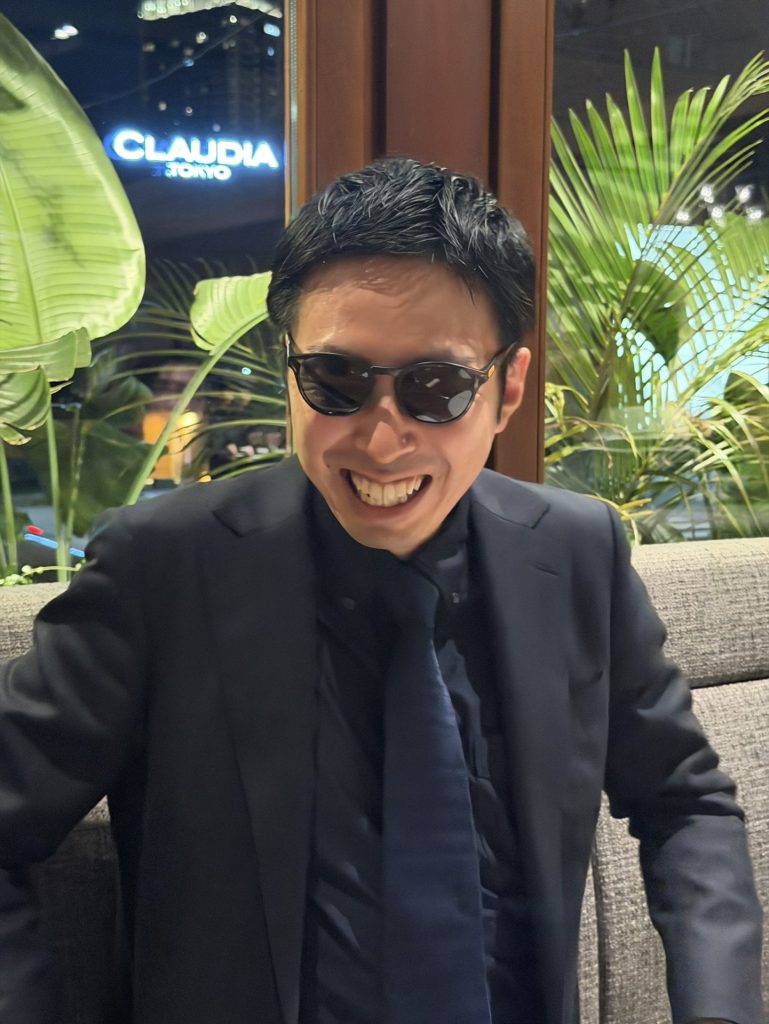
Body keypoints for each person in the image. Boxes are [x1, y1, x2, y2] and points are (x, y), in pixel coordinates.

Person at [0, 157, 762, 1024]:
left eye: (436, 387)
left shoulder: (574, 553)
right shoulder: (162, 569)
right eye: (337, 380)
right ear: (291, 374)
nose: (382, 438)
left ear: (507, 388)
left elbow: (684, 803)